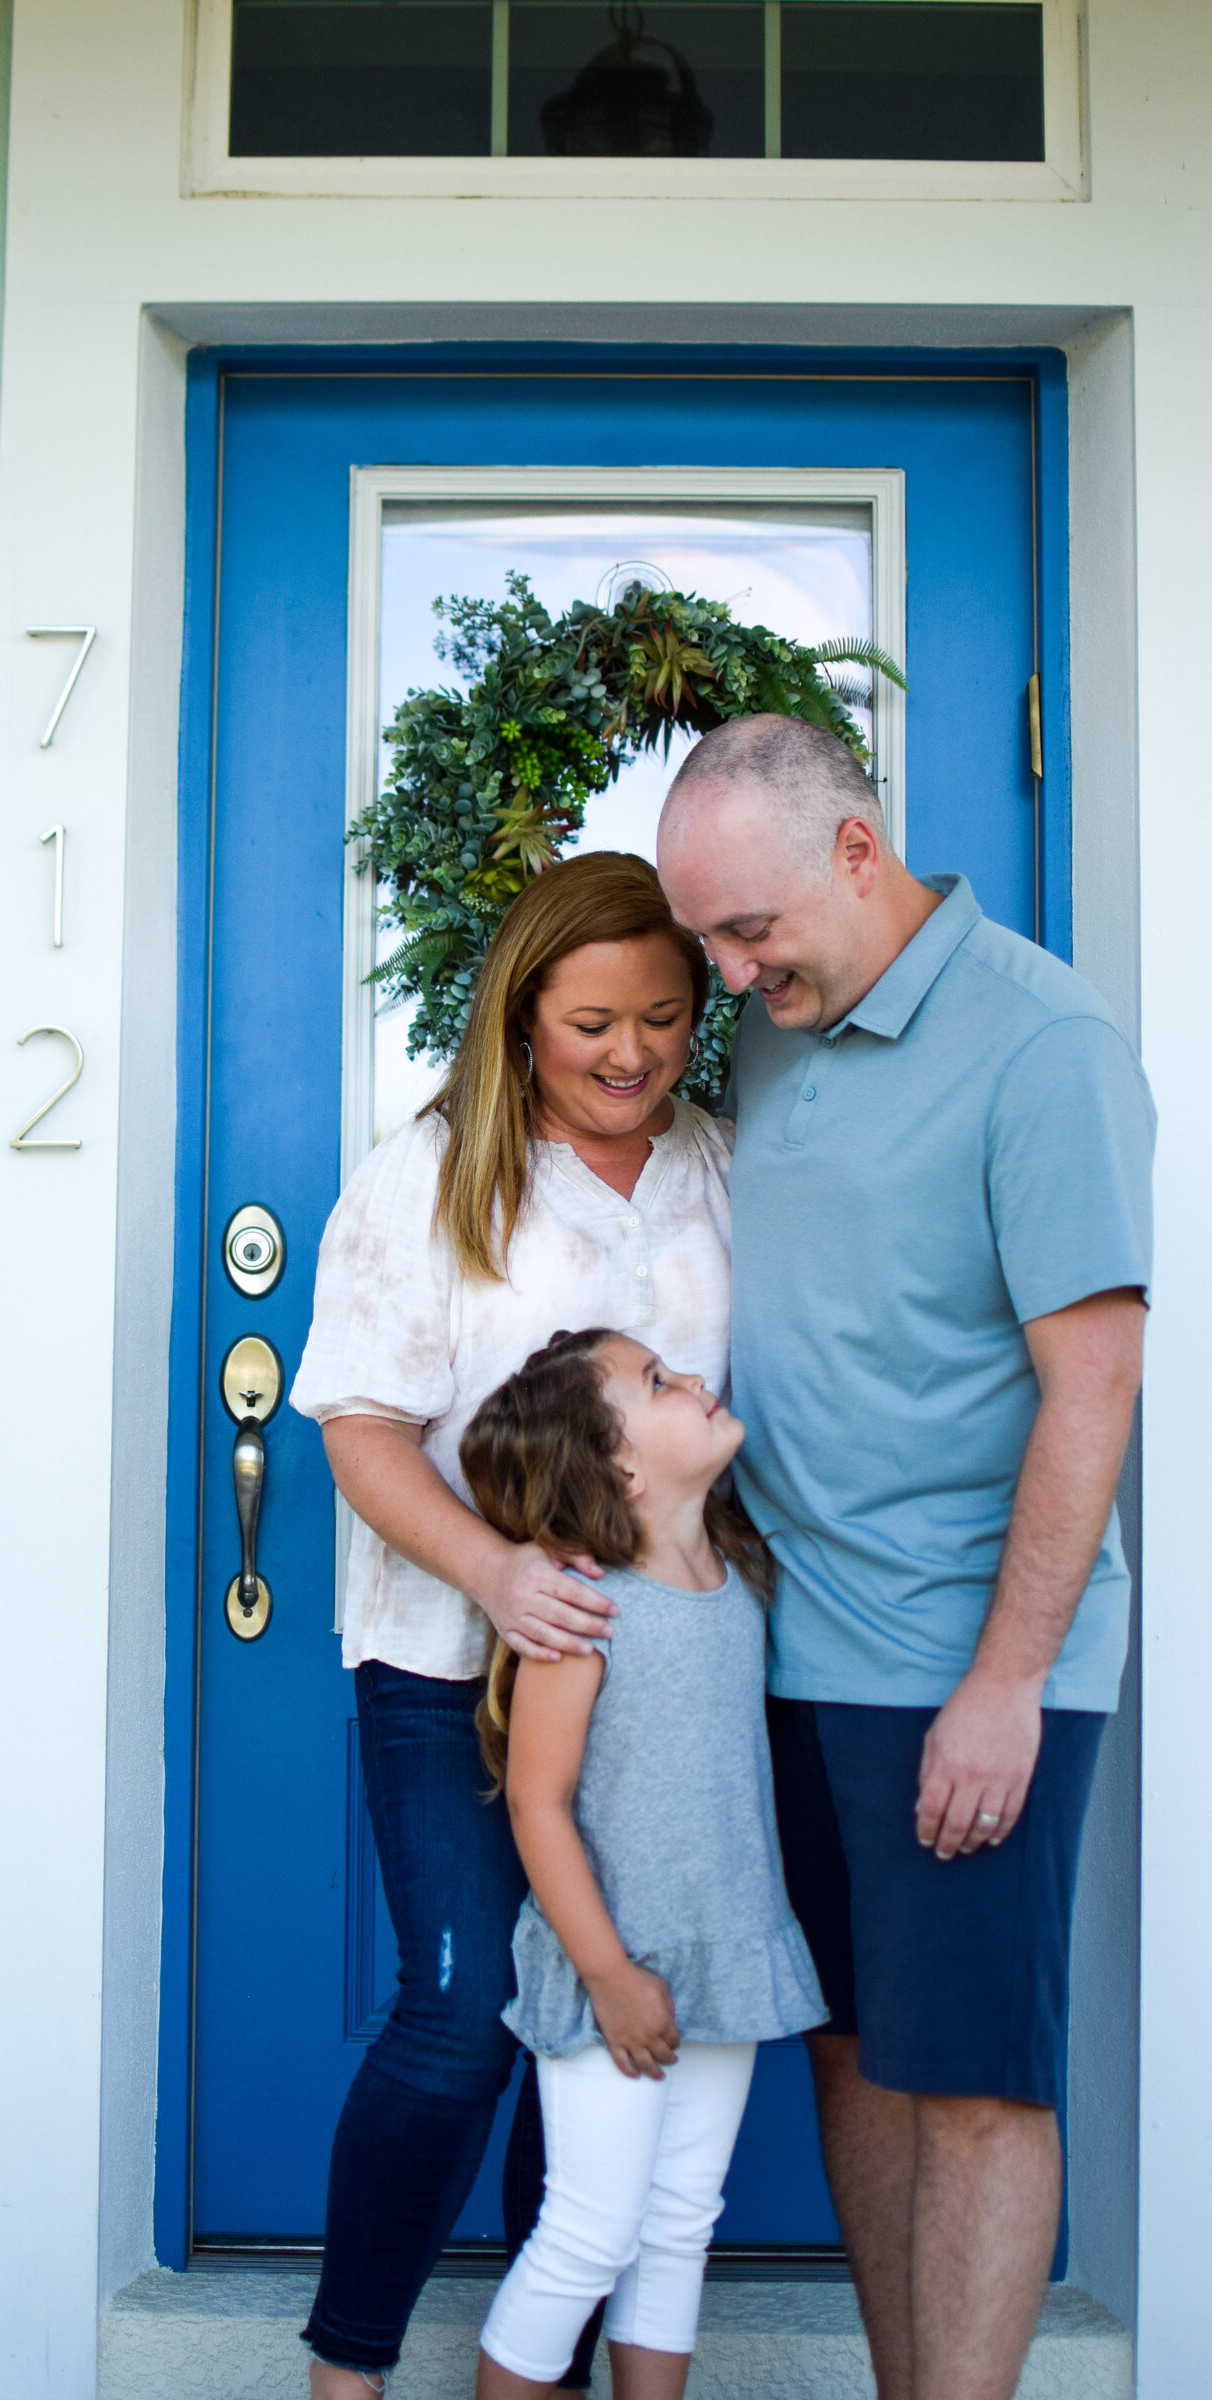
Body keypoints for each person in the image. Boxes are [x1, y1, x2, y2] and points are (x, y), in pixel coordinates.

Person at [656, 714, 1155, 2400]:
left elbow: (1095, 1383)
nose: (727, 979)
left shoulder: (1044, 1045)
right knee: (856, 2052)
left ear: (856, 853)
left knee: (976, 2083)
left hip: (966, 1663)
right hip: (795, 1652)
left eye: (748, 931)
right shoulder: (790, 1022)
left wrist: (1007, 1682)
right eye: (706, 941)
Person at [289, 851, 730, 2398]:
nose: (631, 1055)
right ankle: (348, 2373)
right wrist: (493, 1573)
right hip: (447, 1663)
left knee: (598, 2043)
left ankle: (536, 2372)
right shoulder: (428, 1176)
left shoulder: (716, 1172)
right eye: (594, 1022)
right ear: (522, 1016)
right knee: (467, 2013)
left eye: (665, 1021)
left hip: (653, 1696)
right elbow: (355, 1428)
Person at [460, 1328, 825, 2400]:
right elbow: (537, 1803)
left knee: (677, 2229)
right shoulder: (583, 1609)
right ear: (615, 1466)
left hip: (727, 1952)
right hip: (610, 1962)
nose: (695, 1379)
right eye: (659, 1382)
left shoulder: (739, 1577)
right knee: (589, 2232)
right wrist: (610, 1975)